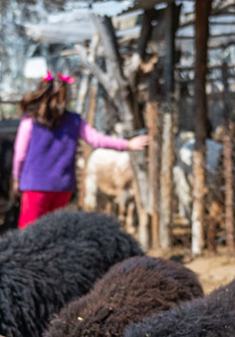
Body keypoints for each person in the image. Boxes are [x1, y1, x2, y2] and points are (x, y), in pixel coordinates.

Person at [11, 72, 149, 227]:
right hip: (62, 187)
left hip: (34, 186)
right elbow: (96, 140)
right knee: (54, 233)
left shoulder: (30, 120)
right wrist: (127, 144)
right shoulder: (74, 121)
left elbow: (20, 155)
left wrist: (17, 178)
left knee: (29, 233)